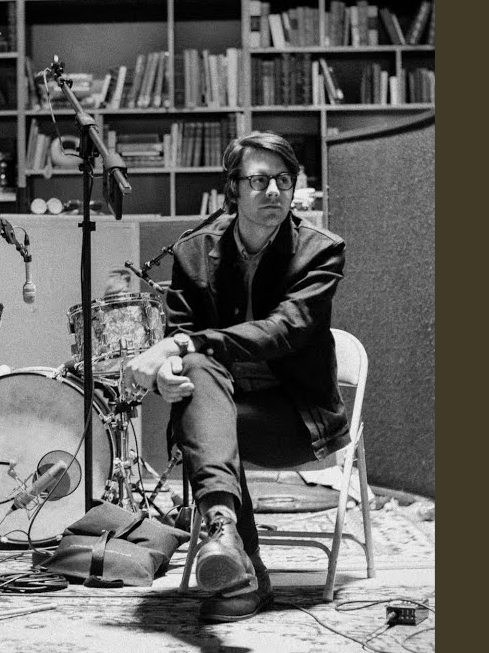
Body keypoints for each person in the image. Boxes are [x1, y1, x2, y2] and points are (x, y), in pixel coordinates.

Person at [122, 131, 350, 623]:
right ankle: (226, 535)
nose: (274, 191)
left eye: (284, 180)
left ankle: (238, 564)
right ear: (233, 188)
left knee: (203, 403)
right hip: (219, 411)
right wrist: (165, 373)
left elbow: (283, 331)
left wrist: (182, 348)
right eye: (259, 180)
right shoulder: (193, 251)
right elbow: (180, 337)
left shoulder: (320, 251)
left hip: (296, 418)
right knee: (198, 380)